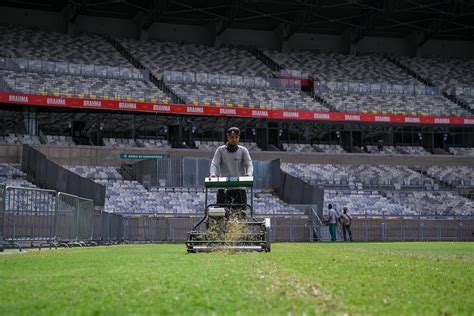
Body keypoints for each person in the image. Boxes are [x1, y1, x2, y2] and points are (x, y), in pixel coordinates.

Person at [209, 127, 253, 208]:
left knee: (241, 213)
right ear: (228, 137)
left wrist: (249, 174)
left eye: (236, 137)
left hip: (239, 187)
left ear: (239, 138)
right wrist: (213, 174)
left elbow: (249, 164)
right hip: (224, 188)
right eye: (232, 137)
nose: (234, 139)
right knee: (221, 212)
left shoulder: (243, 151)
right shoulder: (220, 150)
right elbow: (214, 163)